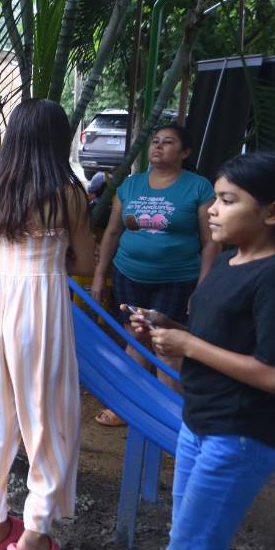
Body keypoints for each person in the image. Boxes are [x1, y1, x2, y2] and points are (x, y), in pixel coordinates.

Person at [125, 151, 275, 550]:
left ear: (273, 213)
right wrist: (166, 328)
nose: (212, 209)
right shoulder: (228, 261)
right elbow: (216, 340)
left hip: (238, 437)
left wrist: (189, 346)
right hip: (199, 425)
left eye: (227, 200)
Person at [0, 100, 94, 550]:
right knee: (50, 413)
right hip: (40, 304)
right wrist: (55, 256)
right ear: (58, 140)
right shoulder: (68, 194)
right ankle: (35, 531)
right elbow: (85, 263)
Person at [90, 123, 219, 426]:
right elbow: (112, 232)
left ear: (185, 152)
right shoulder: (131, 185)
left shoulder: (198, 187)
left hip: (176, 279)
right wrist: (99, 275)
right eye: (155, 141)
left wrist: (202, 288)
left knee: (164, 344)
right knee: (135, 338)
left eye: (168, 142)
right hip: (128, 275)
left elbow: (212, 242)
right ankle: (125, 406)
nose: (158, 146)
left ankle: (168, 415)